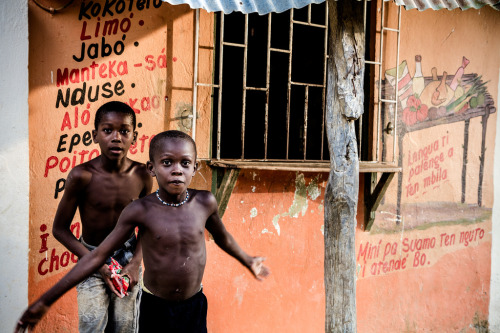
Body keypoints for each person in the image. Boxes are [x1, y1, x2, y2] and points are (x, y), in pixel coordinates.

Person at [15, 130, 269, 333]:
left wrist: (248, 260)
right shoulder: (140, 210)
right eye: (167, 162)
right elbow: (96, 255)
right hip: (155, 307)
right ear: (152, 168)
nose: (177, 170)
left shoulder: (205, 202)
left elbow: (223, 238)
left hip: (194, 304)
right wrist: (46, 300)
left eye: (185, 163)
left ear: (195, 168)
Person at [50, 101, 153, 333]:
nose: (116, 137)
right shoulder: (81, 176)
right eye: (107, 130)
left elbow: (147, 226)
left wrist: (136, 263)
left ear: (134, 136)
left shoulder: (143, 175)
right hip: (91, 255)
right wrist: (97, 264)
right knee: (91, 324)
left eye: (124, 131)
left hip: (128, 258)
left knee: (125, 326)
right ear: (94, 135)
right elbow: (59, 229)